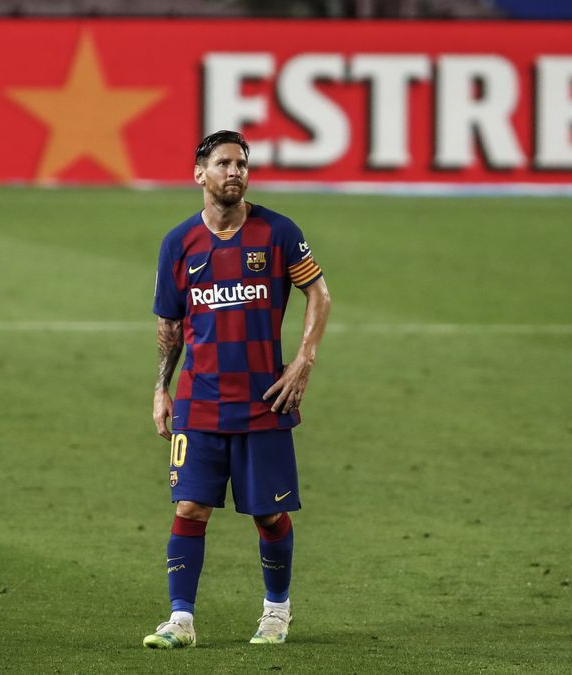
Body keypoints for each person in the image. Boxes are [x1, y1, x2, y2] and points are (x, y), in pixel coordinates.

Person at [143, 130, 331, 648]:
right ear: (199, 174)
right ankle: (180, 620)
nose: (235, 172)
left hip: (263, 400)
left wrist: (305, 358)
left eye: (242, 164)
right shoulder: (179, 243)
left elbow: (319, 292)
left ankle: (276, 612)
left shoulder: (277, 232)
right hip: (200, 400)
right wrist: (161, 388)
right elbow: (170, 326)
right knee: (189, 508)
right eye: (223, 163)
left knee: (269, 514)